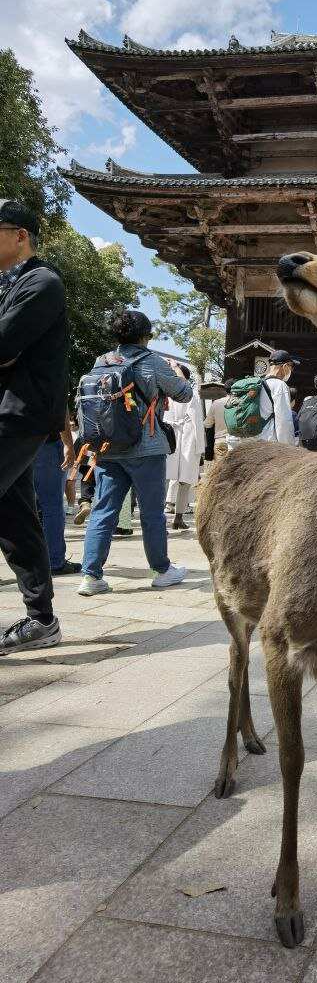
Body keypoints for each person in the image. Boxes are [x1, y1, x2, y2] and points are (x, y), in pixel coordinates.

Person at [78, 310, 193, 597]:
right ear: (145, 335)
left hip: (108, 447)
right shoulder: (152, 361)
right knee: (152, 512)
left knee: (103, 511)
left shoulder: (101, 361)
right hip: (146, 447)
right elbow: (184, 394)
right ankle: (162, 570)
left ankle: (91, 576)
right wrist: (177, 373)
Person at [0, 200, 68, 653]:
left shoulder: (41, 283)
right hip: (10, 409)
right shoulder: (11, 286)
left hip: (20, 411)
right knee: (13, 516)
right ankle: (41, 620)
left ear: (19, 235)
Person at [33, 412, 81, 576]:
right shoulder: (51, 383)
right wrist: (68, 443)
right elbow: (60, 409)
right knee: (51, 506)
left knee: (30, 506)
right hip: (47, 443)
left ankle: (35, 559)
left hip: (18, 440)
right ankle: (55, 561)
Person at [164, 365, 206, 530]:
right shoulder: (191, 393)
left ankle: (165, 517)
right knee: (183, 481)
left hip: (170, 435)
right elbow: (197, 420)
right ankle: (178, 517)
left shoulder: (168, 392)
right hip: (186, 437)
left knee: (166, 478)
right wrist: (199, 447)